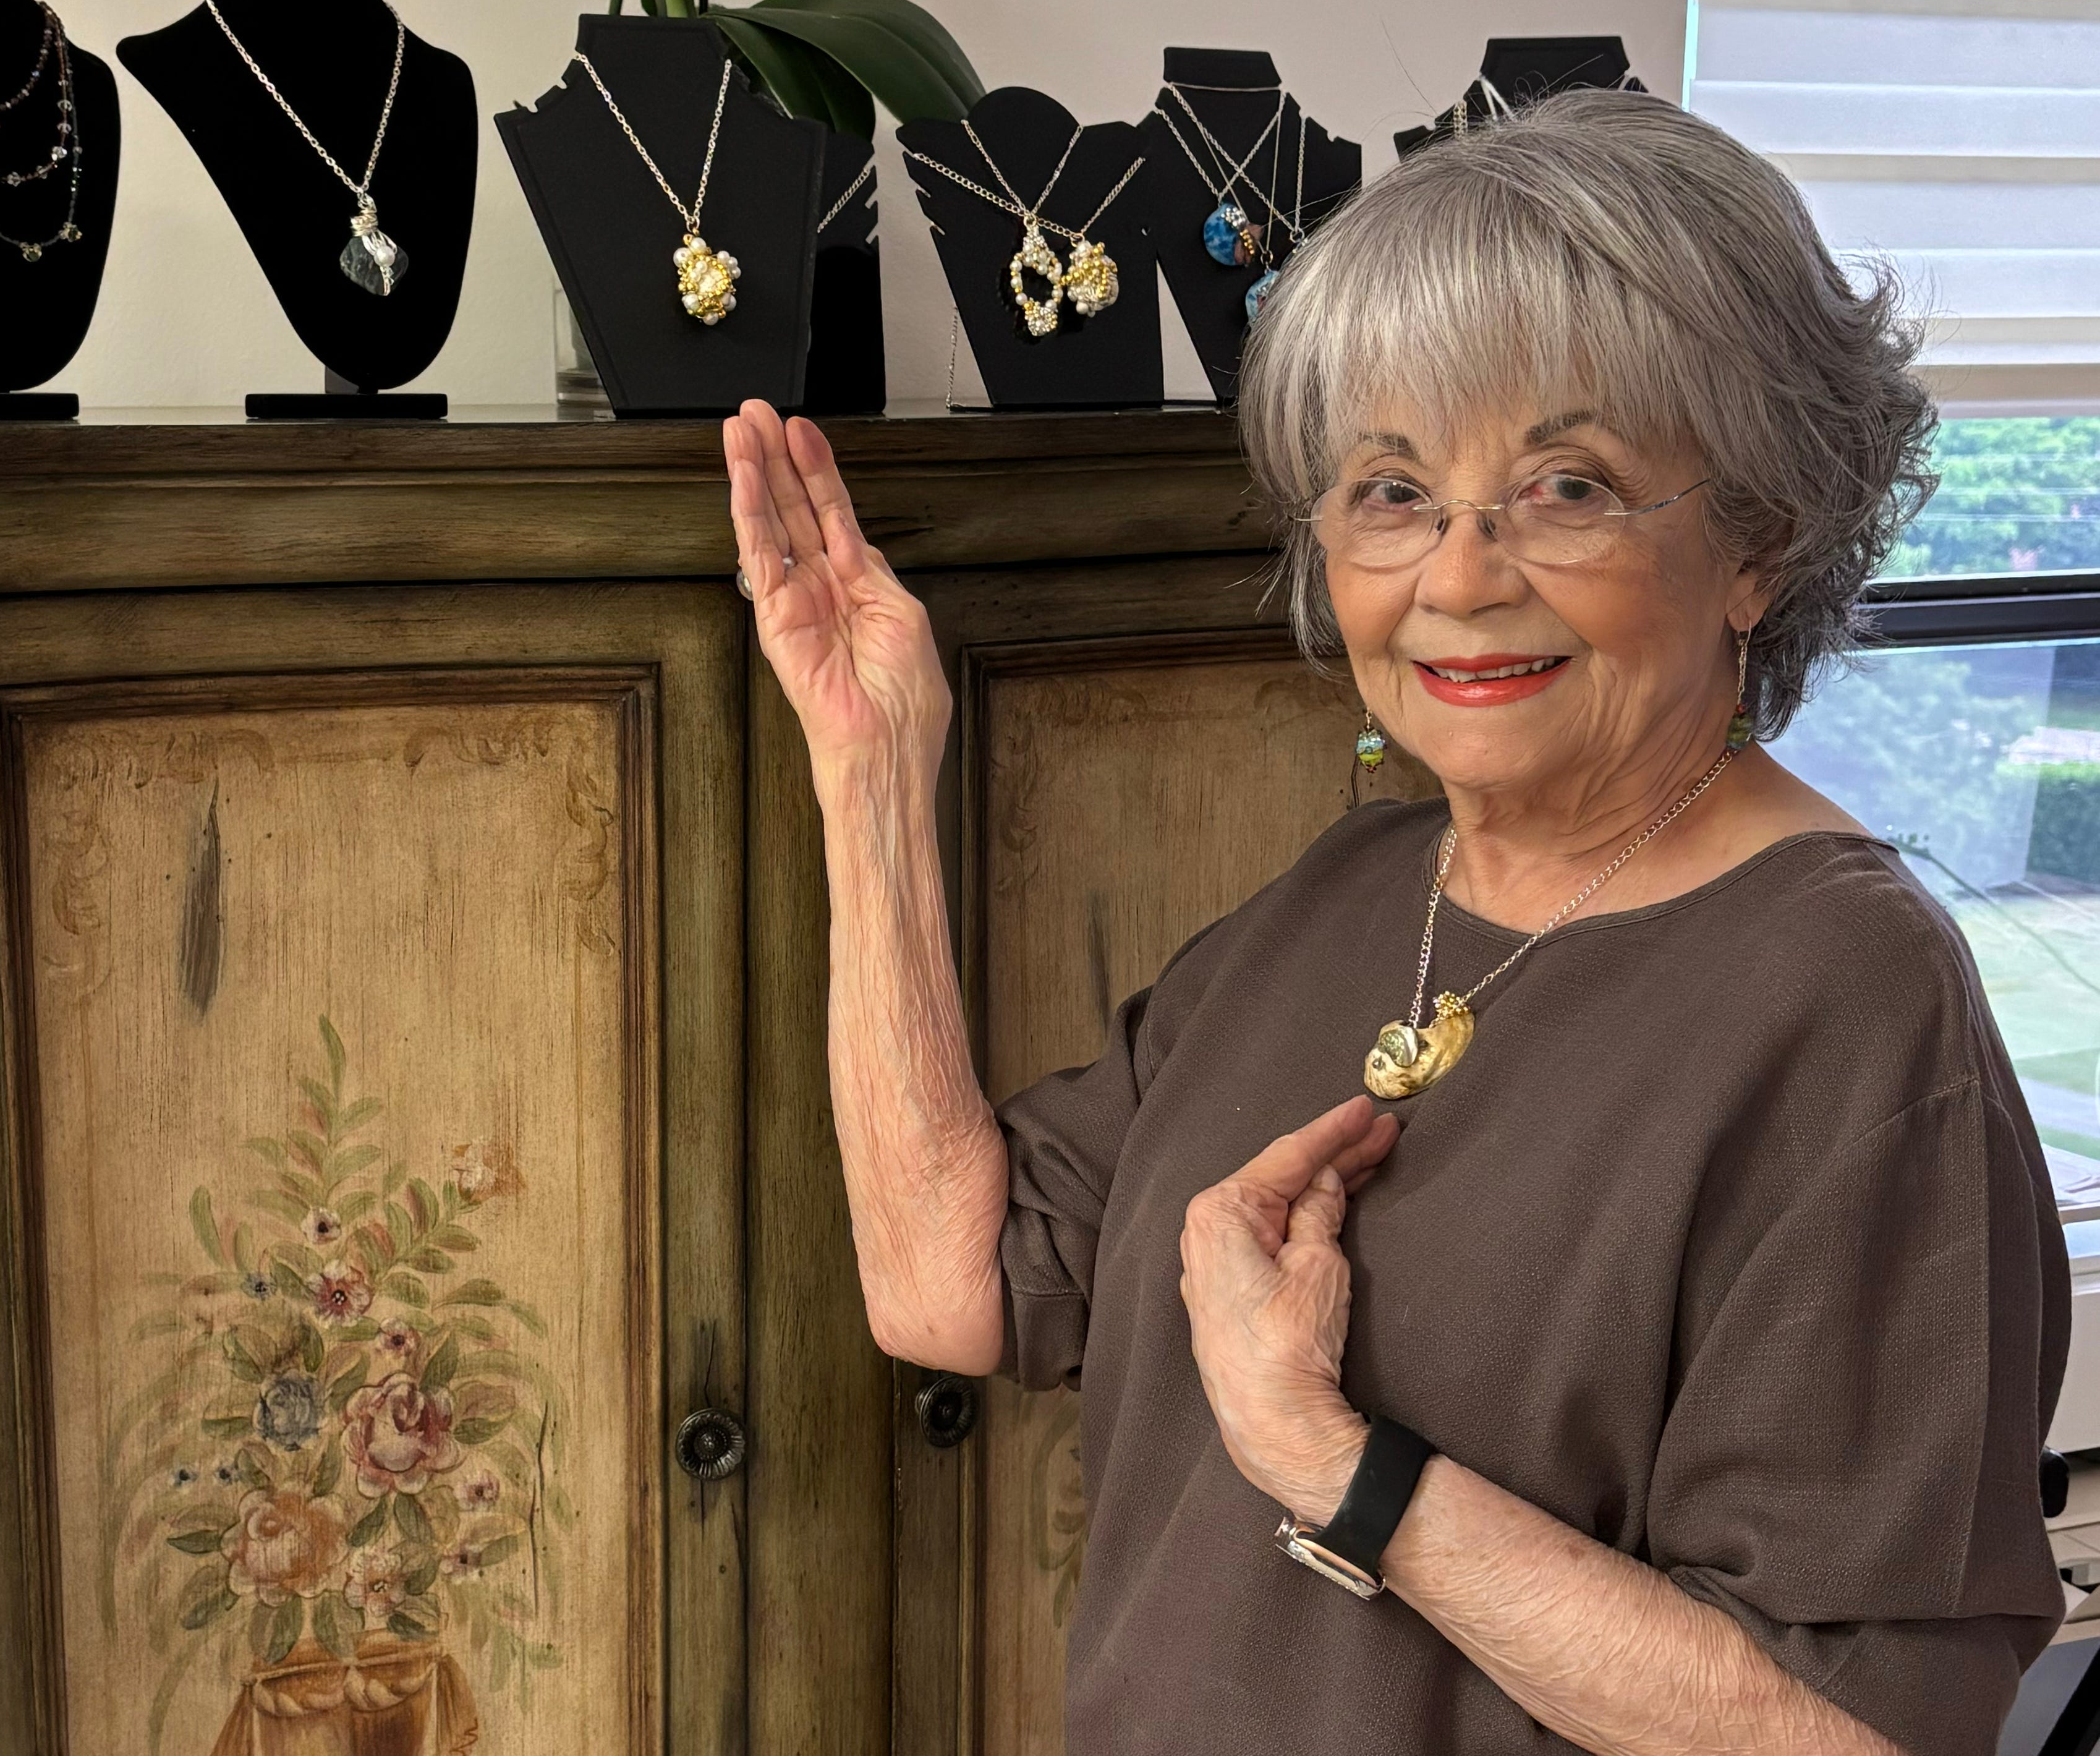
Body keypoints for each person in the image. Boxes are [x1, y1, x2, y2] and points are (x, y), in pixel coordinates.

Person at [720, 88, 2068, 1754]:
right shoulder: (1356, 890)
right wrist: (869, 776)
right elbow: (953, 1286)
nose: (1457, 575)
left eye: (1566, 485)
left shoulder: (1844, 1000)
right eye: (1389, 488)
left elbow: (1842, 1736)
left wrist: (1340, 1471)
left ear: (1757, 544)